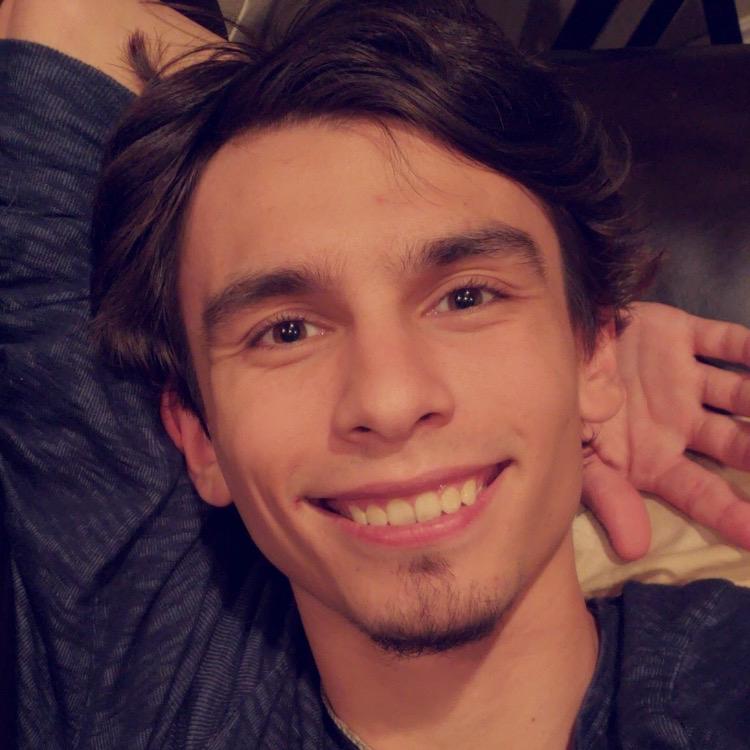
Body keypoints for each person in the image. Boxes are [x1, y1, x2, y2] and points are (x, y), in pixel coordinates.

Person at [1, 1, 749, 748]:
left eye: (467, 298)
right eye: (286, 332)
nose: (390, 401)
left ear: (595, 354)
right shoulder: (133, 666)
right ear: (198, 436)